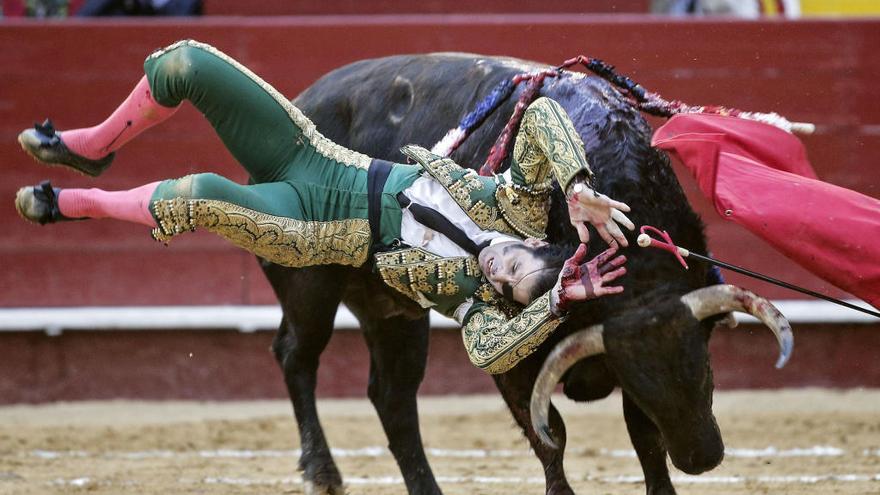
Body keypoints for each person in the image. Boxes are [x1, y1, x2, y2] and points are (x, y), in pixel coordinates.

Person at [14, 40, 632, 374]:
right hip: (319, 158)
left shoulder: (473, 307)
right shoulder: (516, 206)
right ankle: (92, 148)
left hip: (308, 227)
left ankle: (74, 202)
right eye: (519, 268)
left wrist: (549, 303)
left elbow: (491, 353)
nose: (502, 271)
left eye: (509, 288)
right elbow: (545, 113)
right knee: (187, 62)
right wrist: (576, 183)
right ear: (535, 244)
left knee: (196, 195)